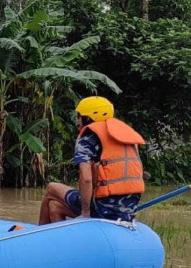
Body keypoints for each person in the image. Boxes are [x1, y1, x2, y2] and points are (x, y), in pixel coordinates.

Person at [38, 96, 145, 225]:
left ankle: (37, 233)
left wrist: (85, 212)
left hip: (102, 209)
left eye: (79, 117)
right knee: (54, 205)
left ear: (87, 118)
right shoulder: (127, 138)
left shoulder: (88, 138)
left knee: (52, 188)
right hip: (128, 211)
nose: (77, 122)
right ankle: (59, 239)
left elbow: (86, 178)